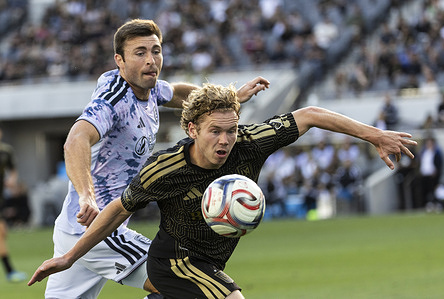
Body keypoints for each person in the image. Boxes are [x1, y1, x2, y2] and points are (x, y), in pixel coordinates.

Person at [28, 83, 417, 298]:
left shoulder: (250, 143)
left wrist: (375, 135)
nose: (226, 140)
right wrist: (69, 257)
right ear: (192, 129)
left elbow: (310, 115)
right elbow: (117, 210)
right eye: (216, 130)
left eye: (231, 129)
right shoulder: (165, 168)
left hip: (211, 260)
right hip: (175, 262)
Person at [39, 19, 270, 299]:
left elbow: (180, 93)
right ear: (119, 61)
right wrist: (86, 195)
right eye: (140, 53)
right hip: (94, 229)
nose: (151, 60)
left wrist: (231, 97)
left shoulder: (150, 89)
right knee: (183, 282)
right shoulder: (113, 100)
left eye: (156, 51)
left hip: (79, 230)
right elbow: (76, 140)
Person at [0, 127, 27, 282]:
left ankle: (10, 272)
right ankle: (10, 272)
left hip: (1, 199)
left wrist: (11, 180)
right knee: (1, 233)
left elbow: (13, 169)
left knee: (3, 233)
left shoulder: (6, 151)